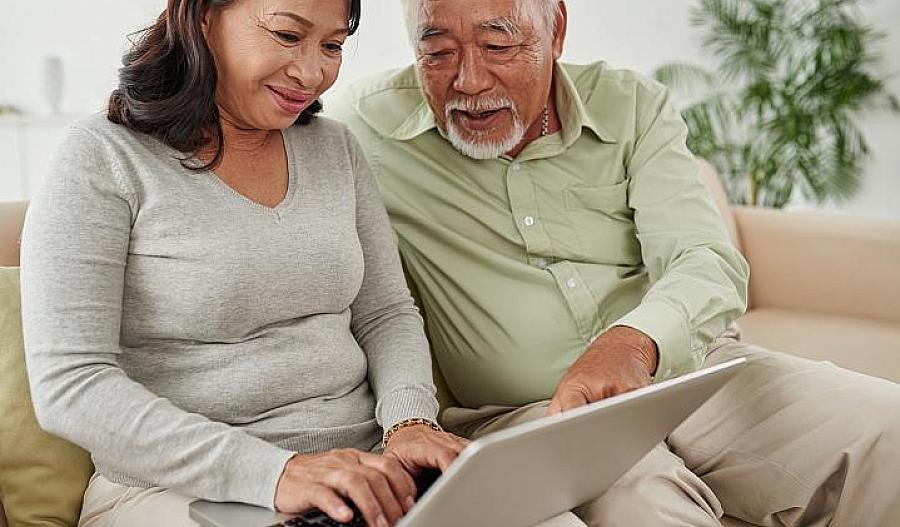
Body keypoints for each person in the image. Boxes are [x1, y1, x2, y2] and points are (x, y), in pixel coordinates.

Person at [329, 0, 900, 525]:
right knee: (649, 509)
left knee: (887, 427)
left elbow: (705, 257)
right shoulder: (361, 130)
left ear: (555, 28)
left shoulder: (632, 107)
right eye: (437, 52)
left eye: (499, 46)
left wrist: (632, 343)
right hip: (521, 417)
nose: (469, 81)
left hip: (684, 377)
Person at [20, 1, 467, 526]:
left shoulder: (334, 148)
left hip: (362, 470)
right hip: (176, 490)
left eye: (332, 45)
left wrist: (409, 422)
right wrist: (279, 474)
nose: (312, 72)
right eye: (285, 35)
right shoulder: (101, 157)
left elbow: (384, 311)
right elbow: (71, 384)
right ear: (204, 18)